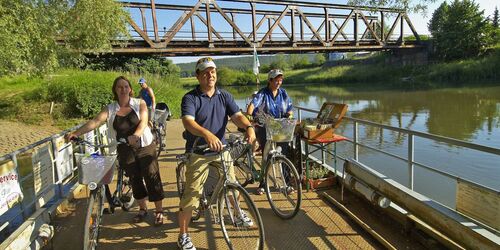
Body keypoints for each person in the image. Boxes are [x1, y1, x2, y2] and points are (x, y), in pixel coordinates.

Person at [177, 57, 256, 250]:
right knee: (192, 195)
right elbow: (188, 122)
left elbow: (237, 116)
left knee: (232, 183)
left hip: (220, 150)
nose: (209, 74)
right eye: (204, 71)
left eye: (212, 71)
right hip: (199, 152)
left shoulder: (224, 96)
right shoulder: (190, 97)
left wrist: (248, 127)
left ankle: (236, 213)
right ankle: (183, 235)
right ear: (197, 76)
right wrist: (207, 134)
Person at [65, 76, 165, 226]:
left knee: (152, 176)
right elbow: (95, 122)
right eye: (119, 87)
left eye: (126, 86)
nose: (123, 89)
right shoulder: (110, 109)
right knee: (135, 179)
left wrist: (135, 135)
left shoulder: (139, 103)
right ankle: (143, 209)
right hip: (124, 148)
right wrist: (76, 133)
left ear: (130, 89)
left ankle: (159, 211)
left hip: (144, 146)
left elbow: (144, 121)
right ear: (115, 90)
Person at [246, 69, 293, 195]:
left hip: (280, 127)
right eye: (276, 80)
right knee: (266, 157)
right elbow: (252, 105)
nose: (279, 82)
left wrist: (289, 115)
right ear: (270, 81)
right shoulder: (263, 93)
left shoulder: (283, 93)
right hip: (264, 127)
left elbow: (290, 108)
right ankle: (262, 184)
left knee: (284, 155)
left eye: (280, 80)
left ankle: (287, 184)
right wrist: (249, 115)